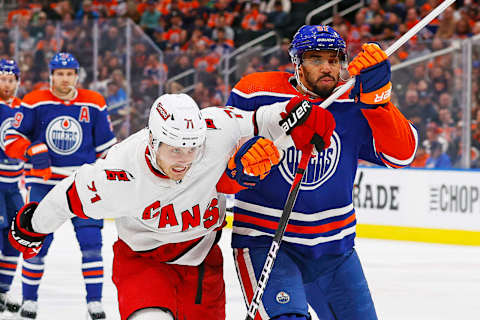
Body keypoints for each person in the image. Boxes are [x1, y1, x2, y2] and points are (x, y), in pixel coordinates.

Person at [6, 92, 331, 320]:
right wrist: (32, 225)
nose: (185, 160)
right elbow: (67, 196)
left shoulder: (217, 129)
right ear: (153, 141)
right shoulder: (119, 171)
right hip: (144, 263)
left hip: (204, 263)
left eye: (192, 148)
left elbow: (264, 121)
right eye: (176, 149)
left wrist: (301, 119)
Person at [227, 25, 418, 320]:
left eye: (333, 60)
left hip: (335, 250)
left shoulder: (353, 100)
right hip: (266, 241)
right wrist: (242, 162)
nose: (327, 68)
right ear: (297, 63)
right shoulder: (256, 93)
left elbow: (401, 155)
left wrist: (379, 104)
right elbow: (224, 153)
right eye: (316, 60)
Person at [4, 52, 117, 320]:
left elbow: (107, 149)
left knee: (92, 243)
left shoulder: (94, 103)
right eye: (59, 74)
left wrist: (104, 178)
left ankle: (95, 302)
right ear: (51, 75)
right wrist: (31, 150)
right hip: (44, 184)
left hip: (82, 184)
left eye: (69, 74)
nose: (64, 79)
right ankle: (29, 300)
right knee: (37, 242)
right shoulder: (34, 101)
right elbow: (11, 139)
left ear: (77, 76)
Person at [0, 59, 23, 315]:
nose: (6, 84)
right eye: (2, 79)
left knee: (15, 238)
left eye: (10, 79)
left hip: (14, 185)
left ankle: (3, 291)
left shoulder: (24, 108)